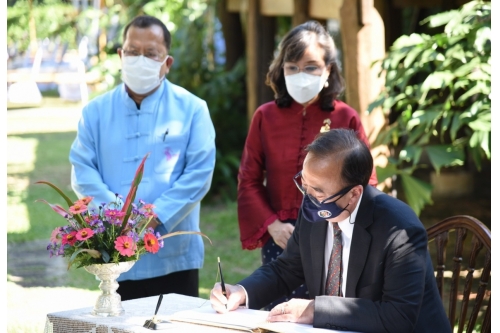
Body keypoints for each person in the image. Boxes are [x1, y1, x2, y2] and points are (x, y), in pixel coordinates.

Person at [212, 128, 451, 333]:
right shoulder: (314, 205)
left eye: (319, 191)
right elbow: (287, 268)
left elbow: (397, 316)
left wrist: (314, 310)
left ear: (355, 192)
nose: (308, 197)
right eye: (304, 184)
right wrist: (241, 292)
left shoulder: (399, 230)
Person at [69, 15, 216, 301]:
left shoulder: (193, 109)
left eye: (151, 54)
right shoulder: (95, 112)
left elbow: (199, 173)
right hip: (113, 253)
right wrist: (117, 217)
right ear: (121, 55)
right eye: (133, 52)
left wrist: (155, 216)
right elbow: (83, 170)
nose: (140, 59)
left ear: (167, 63)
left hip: (174, 251)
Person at [237, 20, 378, 310]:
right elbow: (249, 180)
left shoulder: (346, 117)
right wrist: (271, 225)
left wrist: (339, 222)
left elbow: (367, 183)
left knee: (328, 312)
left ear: (328, 70)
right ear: (282, 69)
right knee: (279, 312)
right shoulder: (264, 117)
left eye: (311, 66)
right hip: (280, 237)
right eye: (293, 67)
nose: (301, 75)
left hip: (336, 234)